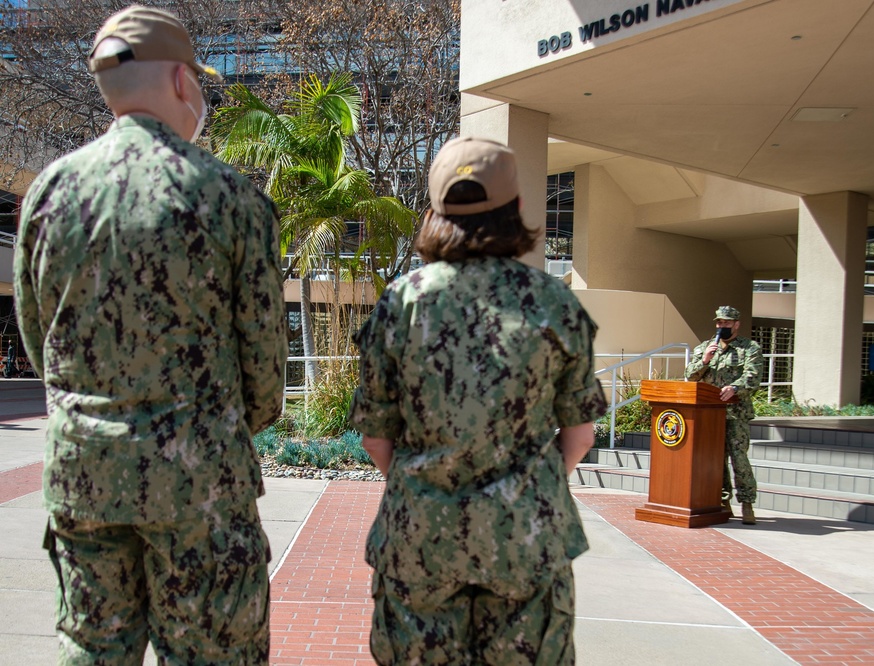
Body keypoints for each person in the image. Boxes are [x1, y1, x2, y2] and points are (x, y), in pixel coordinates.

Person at [13, 6, 287, 663]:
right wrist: (213, 428)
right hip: (201, 479)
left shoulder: (50, 193)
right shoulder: (229, 196)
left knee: (92, 648)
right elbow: (265, 368)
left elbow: (37, 335)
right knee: (216, 653)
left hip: (86, 471)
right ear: (182, 83)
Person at [349, 136, 608, 665]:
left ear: (435, 212)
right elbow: (580, 435)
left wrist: (426, 486)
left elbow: (377, 436)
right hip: (527, 544)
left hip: (420, 543)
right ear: (515, 209)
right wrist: (529, 485)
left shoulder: (402, 302)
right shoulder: (554, 303)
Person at [684, 305, 763, 525]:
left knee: (739, 459)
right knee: (715, 461)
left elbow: (753, 376)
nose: (722, 326)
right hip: (710, 416)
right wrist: (706, 359)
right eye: (719, 323)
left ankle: (747, 503)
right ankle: (722, 501)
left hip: (736, 414)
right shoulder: (705, 347)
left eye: (727, 323)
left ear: (736, 324)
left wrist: (735, 388)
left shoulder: (749, 348)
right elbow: (690, 376)